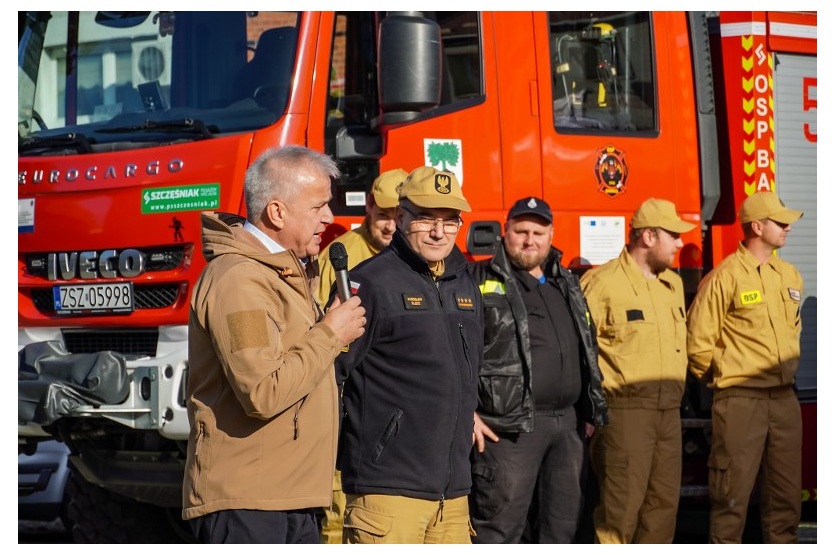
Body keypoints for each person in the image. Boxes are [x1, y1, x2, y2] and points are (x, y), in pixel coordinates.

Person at [182, 145, 367, 543]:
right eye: (318, 206)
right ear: (277, 212)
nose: (329, 218)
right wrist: (330, 334)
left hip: (287, 497)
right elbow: (263, 391)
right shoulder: (239, 280)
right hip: (249, 505)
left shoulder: (283, 273)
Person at [334, 166, 484, 544]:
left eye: (450, 221)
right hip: (388, 492)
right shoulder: (370, 282)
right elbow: (331, 373)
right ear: (401, 217)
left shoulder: (464, 283)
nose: (438, 231)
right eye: (426, 219)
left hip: (453, 496)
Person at [468, 196, 608, 543]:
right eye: (521, 231)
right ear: (505, 231)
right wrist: (467, 412)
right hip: (508, 429)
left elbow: (588, 345)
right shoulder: (478, 279)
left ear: (551, 235)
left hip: (568, 427)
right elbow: (455, 351)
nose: (530, 240)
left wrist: (590, 406)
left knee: (562, 528)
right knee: (500, 529)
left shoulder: (566, 281)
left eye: (538, 232)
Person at [687, 191, 804, 543]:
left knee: (786, 498)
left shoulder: (789, 276)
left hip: (784, 401)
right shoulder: (723, 278)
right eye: (780, 222)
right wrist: (729, 379)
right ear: (756, 227)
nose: (787, 228)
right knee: (731, 498)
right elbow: (698, 345)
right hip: (740, 401)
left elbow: (794, 331)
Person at [579, 198, 696, 543]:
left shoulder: (672, 285)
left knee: (662, 511)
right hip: (624, 415)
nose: (680, 243)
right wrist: (587, 409)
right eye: (673, 235)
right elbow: (579, 350)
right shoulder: (601, 283)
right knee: (620, 514)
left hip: (669, 414)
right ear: (648, 237)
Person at [315, 167, 407, 543]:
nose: (390, 225)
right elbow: (319, 327)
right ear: (368, 206)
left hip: (399, 407)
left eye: (399, 216)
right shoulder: (340, 256)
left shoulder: (420, 258)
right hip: (351, 400)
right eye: (383, 214)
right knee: (338, 506)